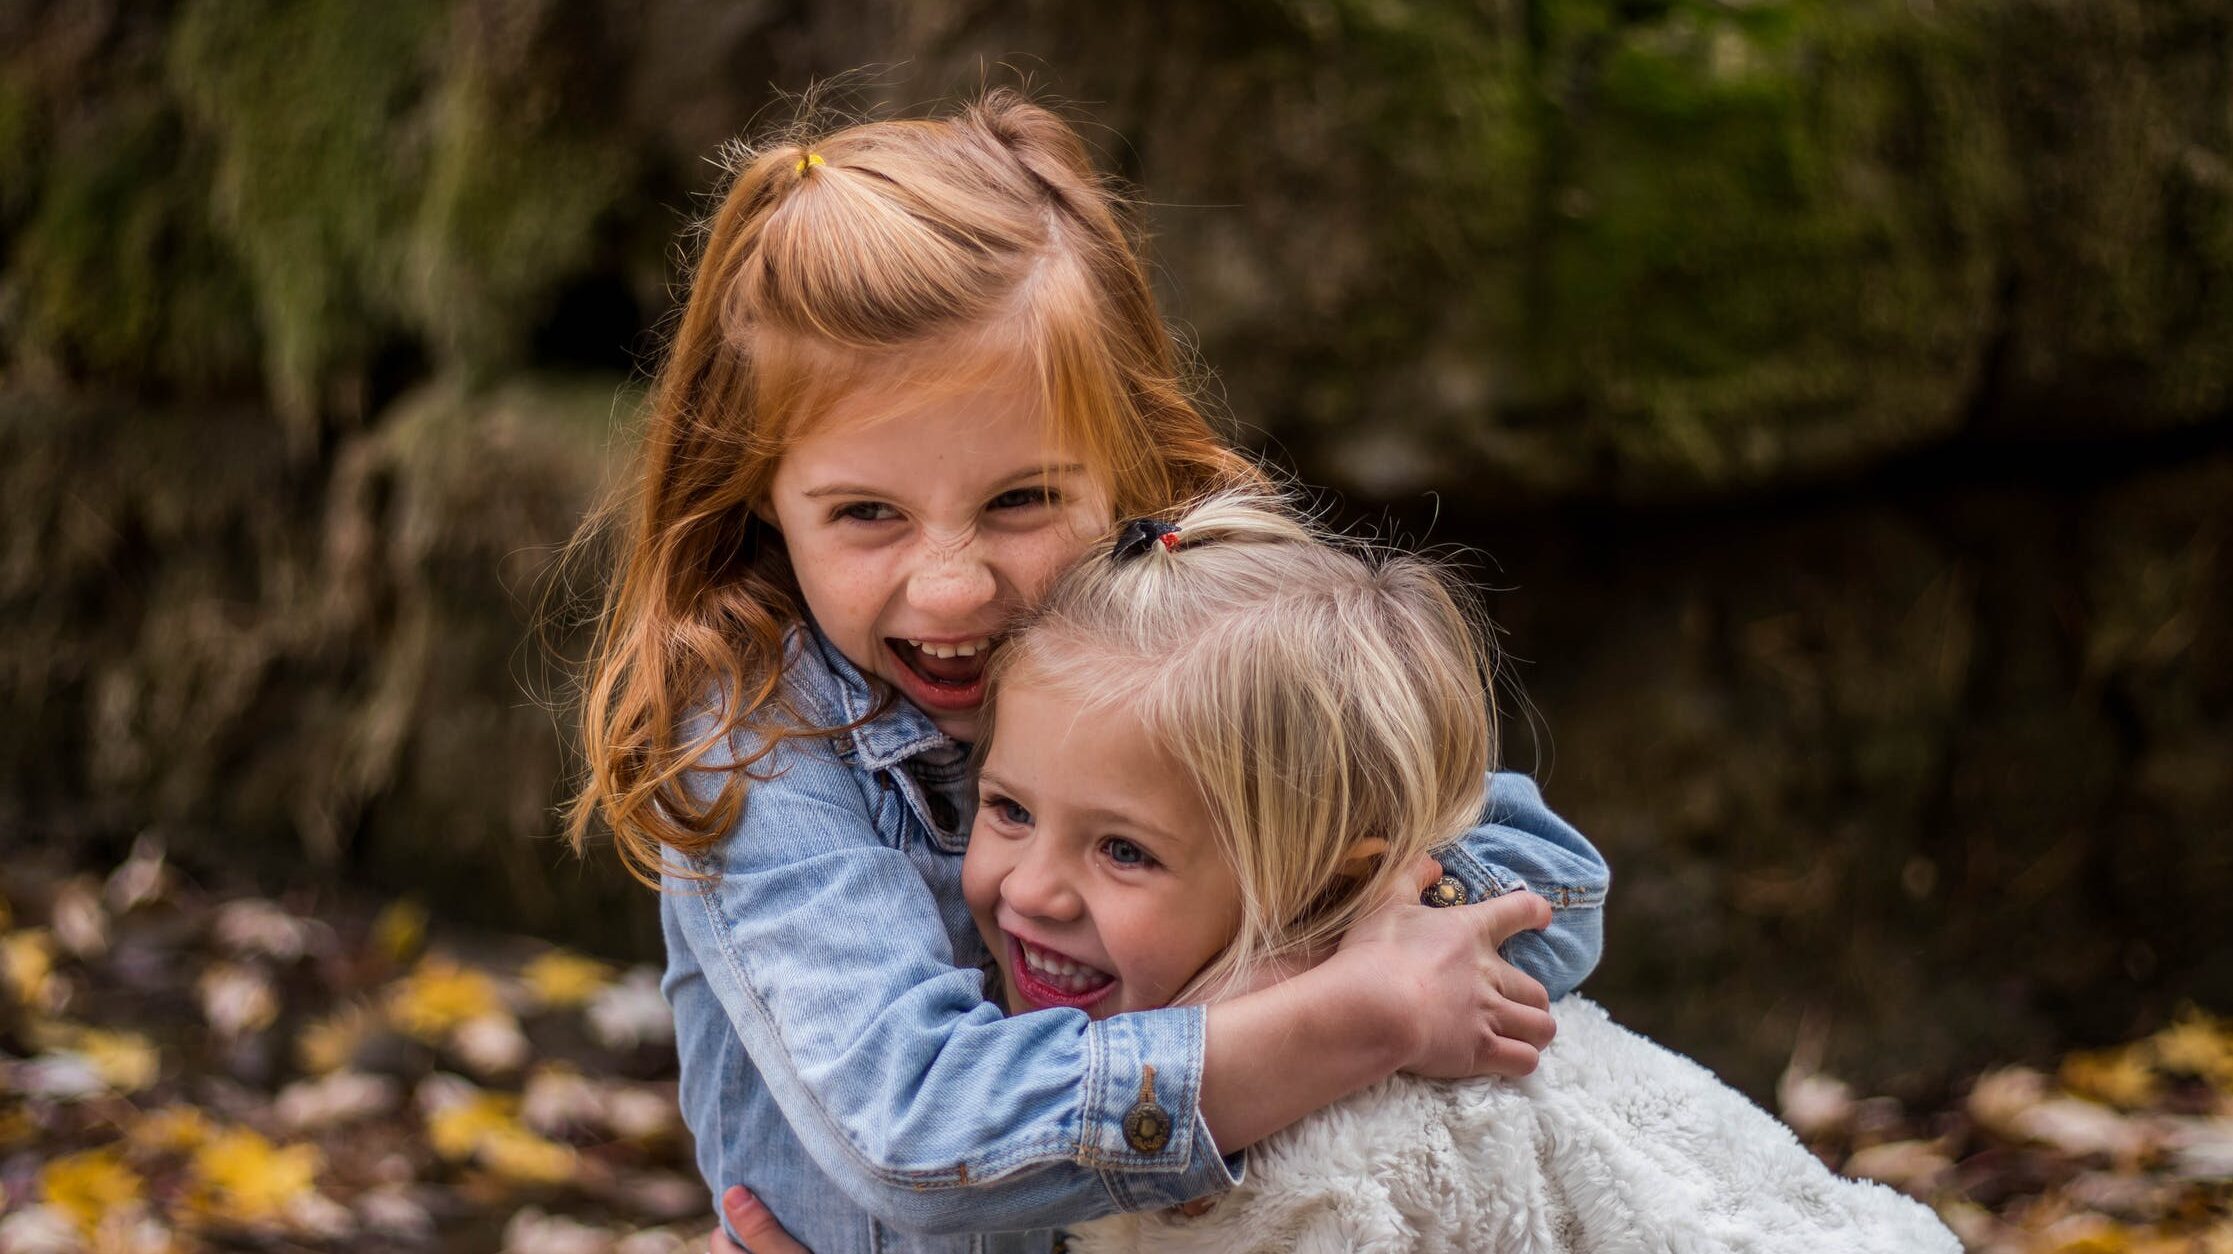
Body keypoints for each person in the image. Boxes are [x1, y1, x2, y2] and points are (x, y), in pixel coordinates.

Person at [569, 91, 1609, 1253]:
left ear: (1120, 458)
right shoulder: (758, 737)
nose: (953, 587)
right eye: (867, 514)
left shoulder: (1194, 634)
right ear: (762, 492)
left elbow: (1543, 878)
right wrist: (1340, 1016)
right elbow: (918, 1130)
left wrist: (1273, 975)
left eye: (1021, 500)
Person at [956, 491, 1958, 1251]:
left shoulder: (1355, 1160)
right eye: (1007, 809)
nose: (1030, 889)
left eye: (1124, 851)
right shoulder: (1129, 1056)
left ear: (1328, 889)